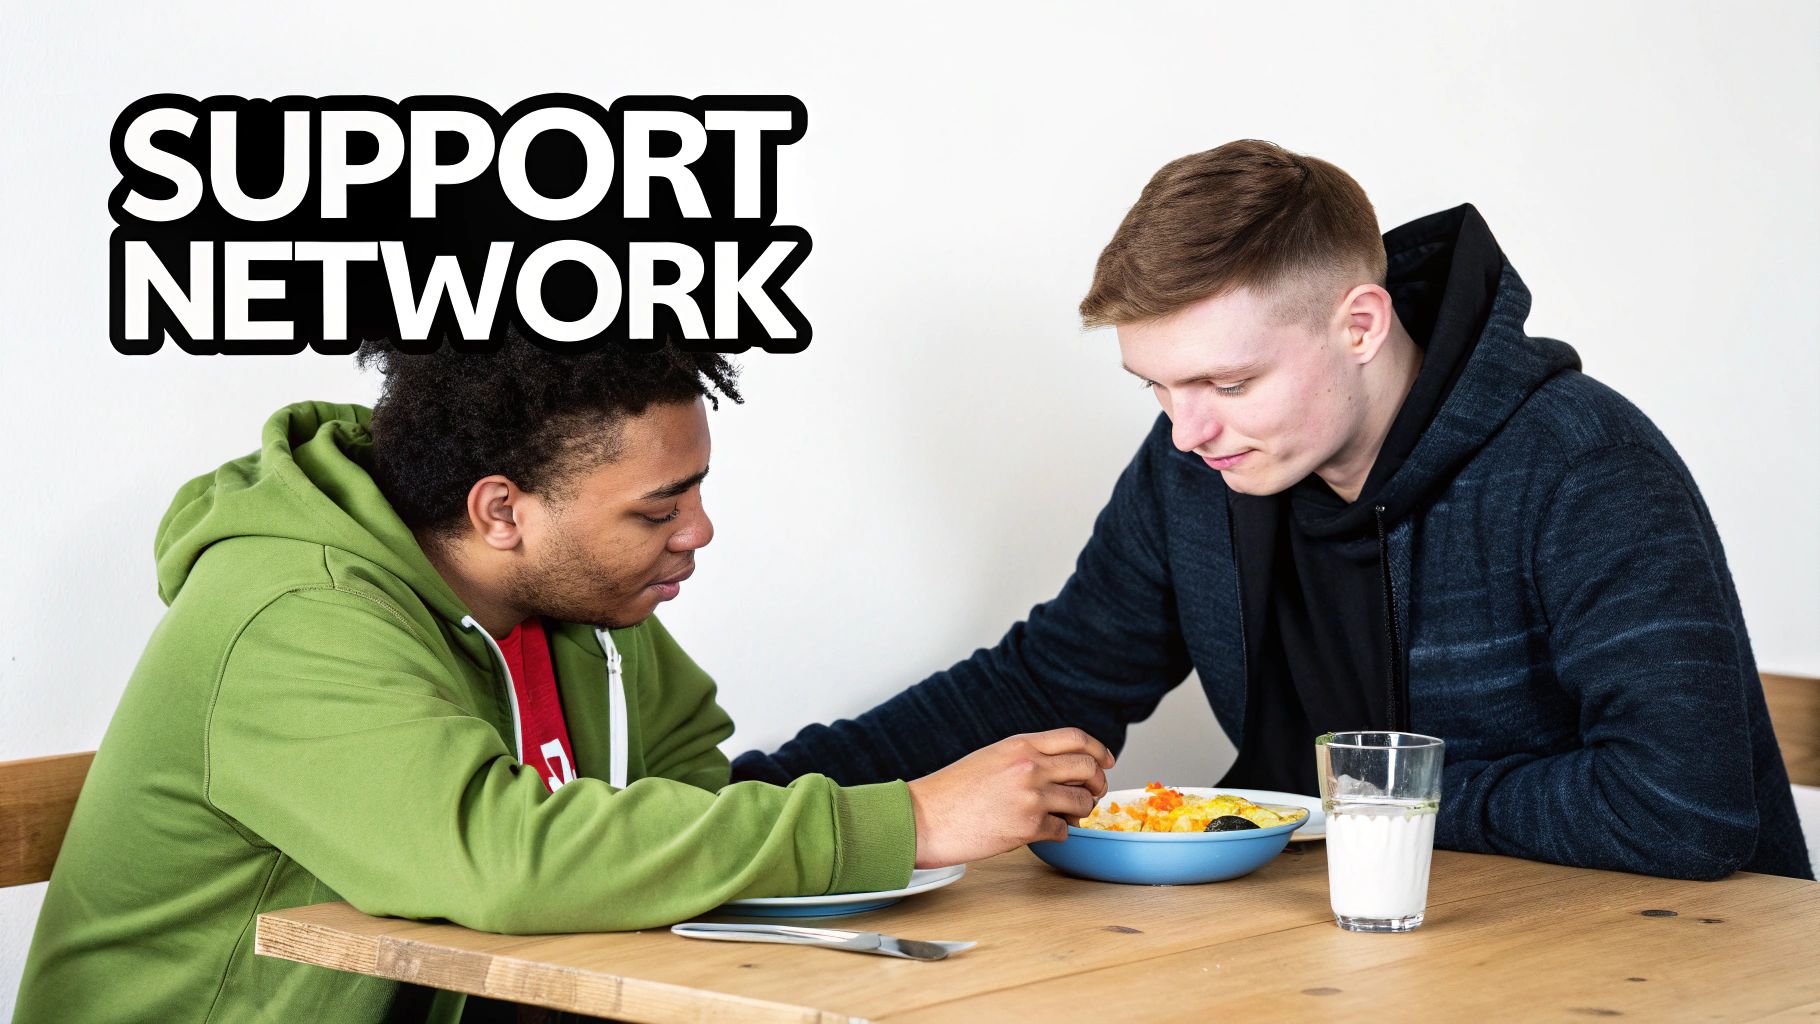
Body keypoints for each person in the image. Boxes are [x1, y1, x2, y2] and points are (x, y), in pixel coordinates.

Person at [733, 139, 1813, 882]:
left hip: (1655, 963)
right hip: (1344, 957)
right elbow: (1047, 681)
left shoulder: (1580, 465)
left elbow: (1682, 810)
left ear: (1359, 324)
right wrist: (745, 806)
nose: (1187, 430)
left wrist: (1350, 802)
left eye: (1228, 382)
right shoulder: (1197, 469)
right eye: (1156, 388)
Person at [15, 336, 1115, 1024]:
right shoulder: (293, 618)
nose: (698, 529)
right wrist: (909, 819)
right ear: (502, 510)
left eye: (696, 489)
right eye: (657, 507)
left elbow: (686, 801)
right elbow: (500, 857)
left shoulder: (582, 606)